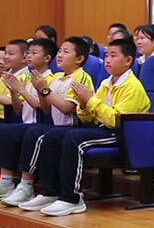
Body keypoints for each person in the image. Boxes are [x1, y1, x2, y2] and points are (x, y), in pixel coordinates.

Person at [37, 38, 150, 216]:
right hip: (104, 129)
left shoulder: (132, 86)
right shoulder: (106, 83)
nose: (108, 60)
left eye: (113, 56)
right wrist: (84, 104)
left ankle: (72, 198)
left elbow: (117, 120)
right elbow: (90, 117)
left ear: (128, 61)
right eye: (106, 56)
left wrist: (90, 100)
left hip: (124, 134)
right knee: (54, 135)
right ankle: (51, 192)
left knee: (75, 140)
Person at [5, 37, 94, 210]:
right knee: (17, 131)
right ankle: (43, 190)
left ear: (79, 58)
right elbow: (44, 108)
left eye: (66, 52)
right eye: (60, 51)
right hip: (55, 125)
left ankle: (28, 185)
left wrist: (42, 90)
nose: (60, 55)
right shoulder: (58, 78)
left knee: (38, 133)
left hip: (71, 126)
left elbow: (67, 108)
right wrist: (38, 90)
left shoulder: (81, 76)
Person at [0, 39, 58, 205]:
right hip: (27, 122)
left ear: (47, 58)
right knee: (7, 131)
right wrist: (13, 93)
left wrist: (22, 90)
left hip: (44, 123)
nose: (29, 56)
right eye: (28, 53)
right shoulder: (30, 78)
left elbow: (41, 107)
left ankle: (26, 186)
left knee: (28, 133)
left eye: (34, 53)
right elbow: (18, 110)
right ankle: (6, 181)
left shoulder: (50, 79)